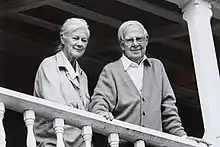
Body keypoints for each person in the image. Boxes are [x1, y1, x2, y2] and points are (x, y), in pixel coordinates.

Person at [89, 20, 187, 146]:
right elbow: (100, 101)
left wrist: (182, 136)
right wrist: (101, 112)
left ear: (146, 41)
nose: (135, 44)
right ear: (122, 45)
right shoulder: (111, 70)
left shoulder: (157, 67)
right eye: (130, 40)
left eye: (139, 39)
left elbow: (169, 110)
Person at [33, 18, 90, 147]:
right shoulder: (49, 65)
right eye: (75, 38)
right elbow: (56, 108)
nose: (80, 44)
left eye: (84, 40)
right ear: (63, 39)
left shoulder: (83, 76)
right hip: (53, 141)